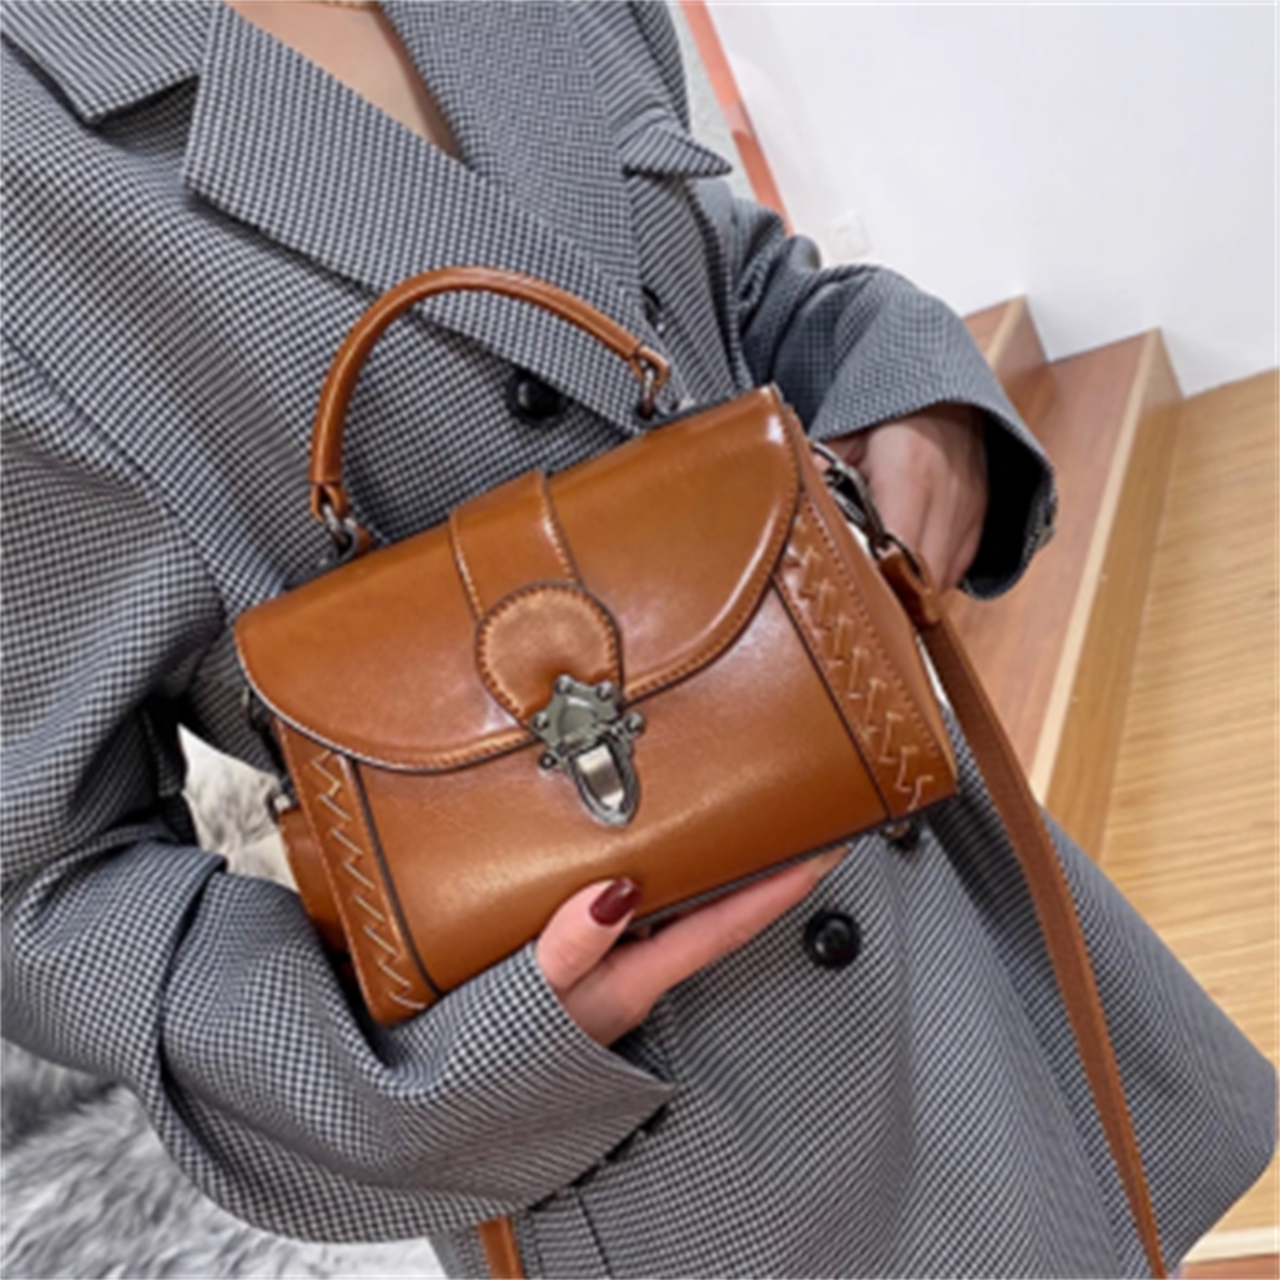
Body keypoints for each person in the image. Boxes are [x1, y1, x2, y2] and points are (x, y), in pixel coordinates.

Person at [2, 1, 1272, 1277]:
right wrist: (436, 1069)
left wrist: (904, 385)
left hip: (935, 915)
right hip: (674, 1144)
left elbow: (720, 289)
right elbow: (42, 878)